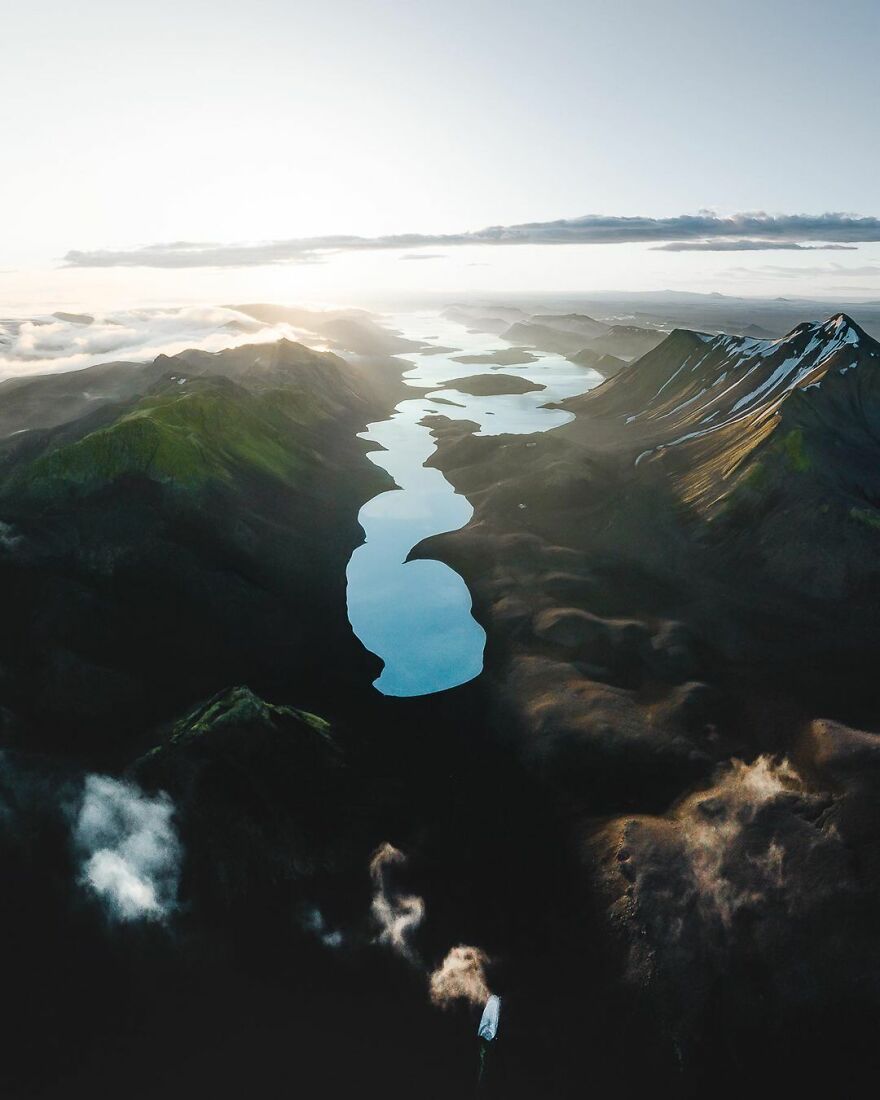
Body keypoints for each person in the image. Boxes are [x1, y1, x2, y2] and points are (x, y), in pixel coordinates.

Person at [477, 994, 501, 1089]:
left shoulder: (494, 1001)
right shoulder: (494, 1001)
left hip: (485, 1039)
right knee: (483, 1067)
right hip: (487, 1039)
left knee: (484, 1066)